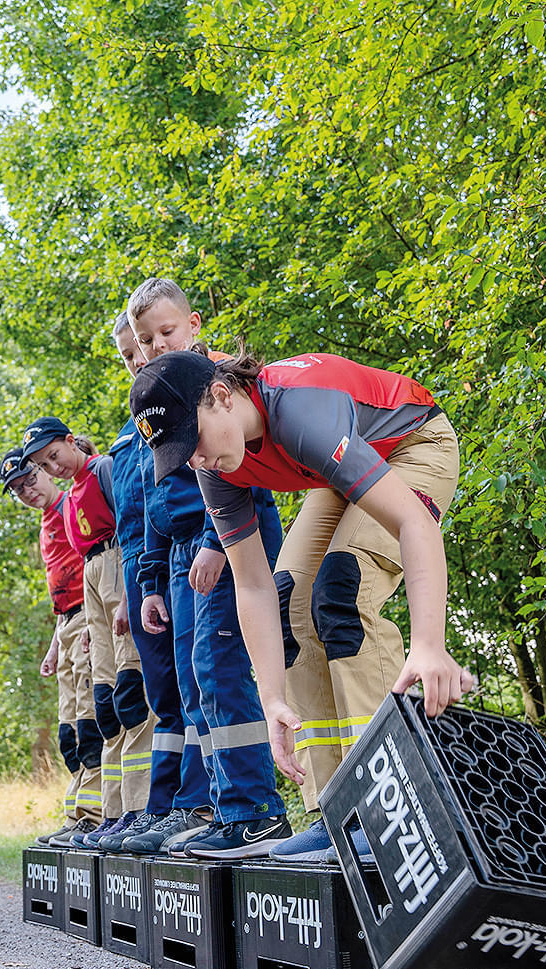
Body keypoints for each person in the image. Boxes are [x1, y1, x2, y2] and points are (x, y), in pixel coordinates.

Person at [128, 347, 470, 863]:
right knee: (291, 600)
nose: (195, 461)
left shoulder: (298, 412)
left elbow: (413, 522)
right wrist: (271, 701)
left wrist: (429, 644)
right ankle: (337, 814)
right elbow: (253, 585)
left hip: (415, 442)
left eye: (192, 441)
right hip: (343, 467)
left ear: (221, 396)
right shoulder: (215, 464)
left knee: (342, 588)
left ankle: (389, 809)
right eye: (180, 453)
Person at [123, 278, 293, 859]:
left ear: (193, 324)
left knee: (222, 669)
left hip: (225, 540)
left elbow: (249, 468)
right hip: (184, 552)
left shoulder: (216, 382)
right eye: (144, 341)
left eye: (165, 333)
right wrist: (151, 578)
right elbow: (153, 499)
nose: (154, 347)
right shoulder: (157, 395)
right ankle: (223, 808)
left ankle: (257, 812)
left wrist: (215, 543)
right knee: (199, 678)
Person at [90, 314, 212, 854]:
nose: (141, 356)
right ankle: (160, 804)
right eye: (131, 352)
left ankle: (200, 801)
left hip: (191, 551)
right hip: (147, 565)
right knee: (165, 692)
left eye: (146, 344)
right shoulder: (133, 426)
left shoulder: (191, 392)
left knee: (198, 683)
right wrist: (136, 584)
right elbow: (136, 509)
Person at [23, 417, 151, 847]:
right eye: (45, 464)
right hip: (93, 582)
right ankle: (112, 812)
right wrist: (82, 629)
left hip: (117, 566)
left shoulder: (103, 469)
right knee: (106, 705)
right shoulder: (74, 491)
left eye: (53, 456)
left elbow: (132, 528)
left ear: (69, 441)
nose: (53, 467)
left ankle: (143, 806)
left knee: (132, 692)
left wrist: (132, 595)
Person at [0, 447, 102, 846]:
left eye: (30, 479)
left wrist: (95, 621)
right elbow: (61, 593)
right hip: (67, 624)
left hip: (89, 616)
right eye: (18, 489)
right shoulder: (45, 524)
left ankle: (97, 815)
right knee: (68, 732)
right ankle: (77, 814)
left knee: (91, 722)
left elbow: (96, 565)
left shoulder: (71, 504)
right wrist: (54, 646)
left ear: (44, 471)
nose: (28, 491)